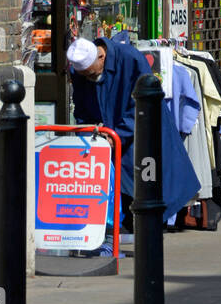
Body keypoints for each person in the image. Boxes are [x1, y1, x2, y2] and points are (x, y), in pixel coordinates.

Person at [65, 36, 200, 235]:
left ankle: (150, 228)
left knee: (150, 182)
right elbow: (83, 106)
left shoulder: (130, 59)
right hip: (110, 133)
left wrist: (117, 133)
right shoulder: (80, 72)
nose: (89, 78)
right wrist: (88, 130)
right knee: (122, 184)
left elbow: (142, 104)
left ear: (101, 57)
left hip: (142, 130)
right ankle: (127, 230)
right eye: (84, 75)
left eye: (92, 74)